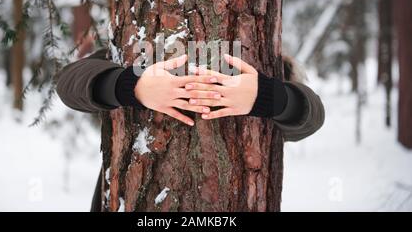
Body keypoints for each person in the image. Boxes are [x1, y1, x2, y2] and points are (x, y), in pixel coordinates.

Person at [56, 48, 325, 211]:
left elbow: (312, 117)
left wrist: (266, 96)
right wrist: (131, 85)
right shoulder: (131, 48)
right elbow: (69, 84)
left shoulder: (265, 59)